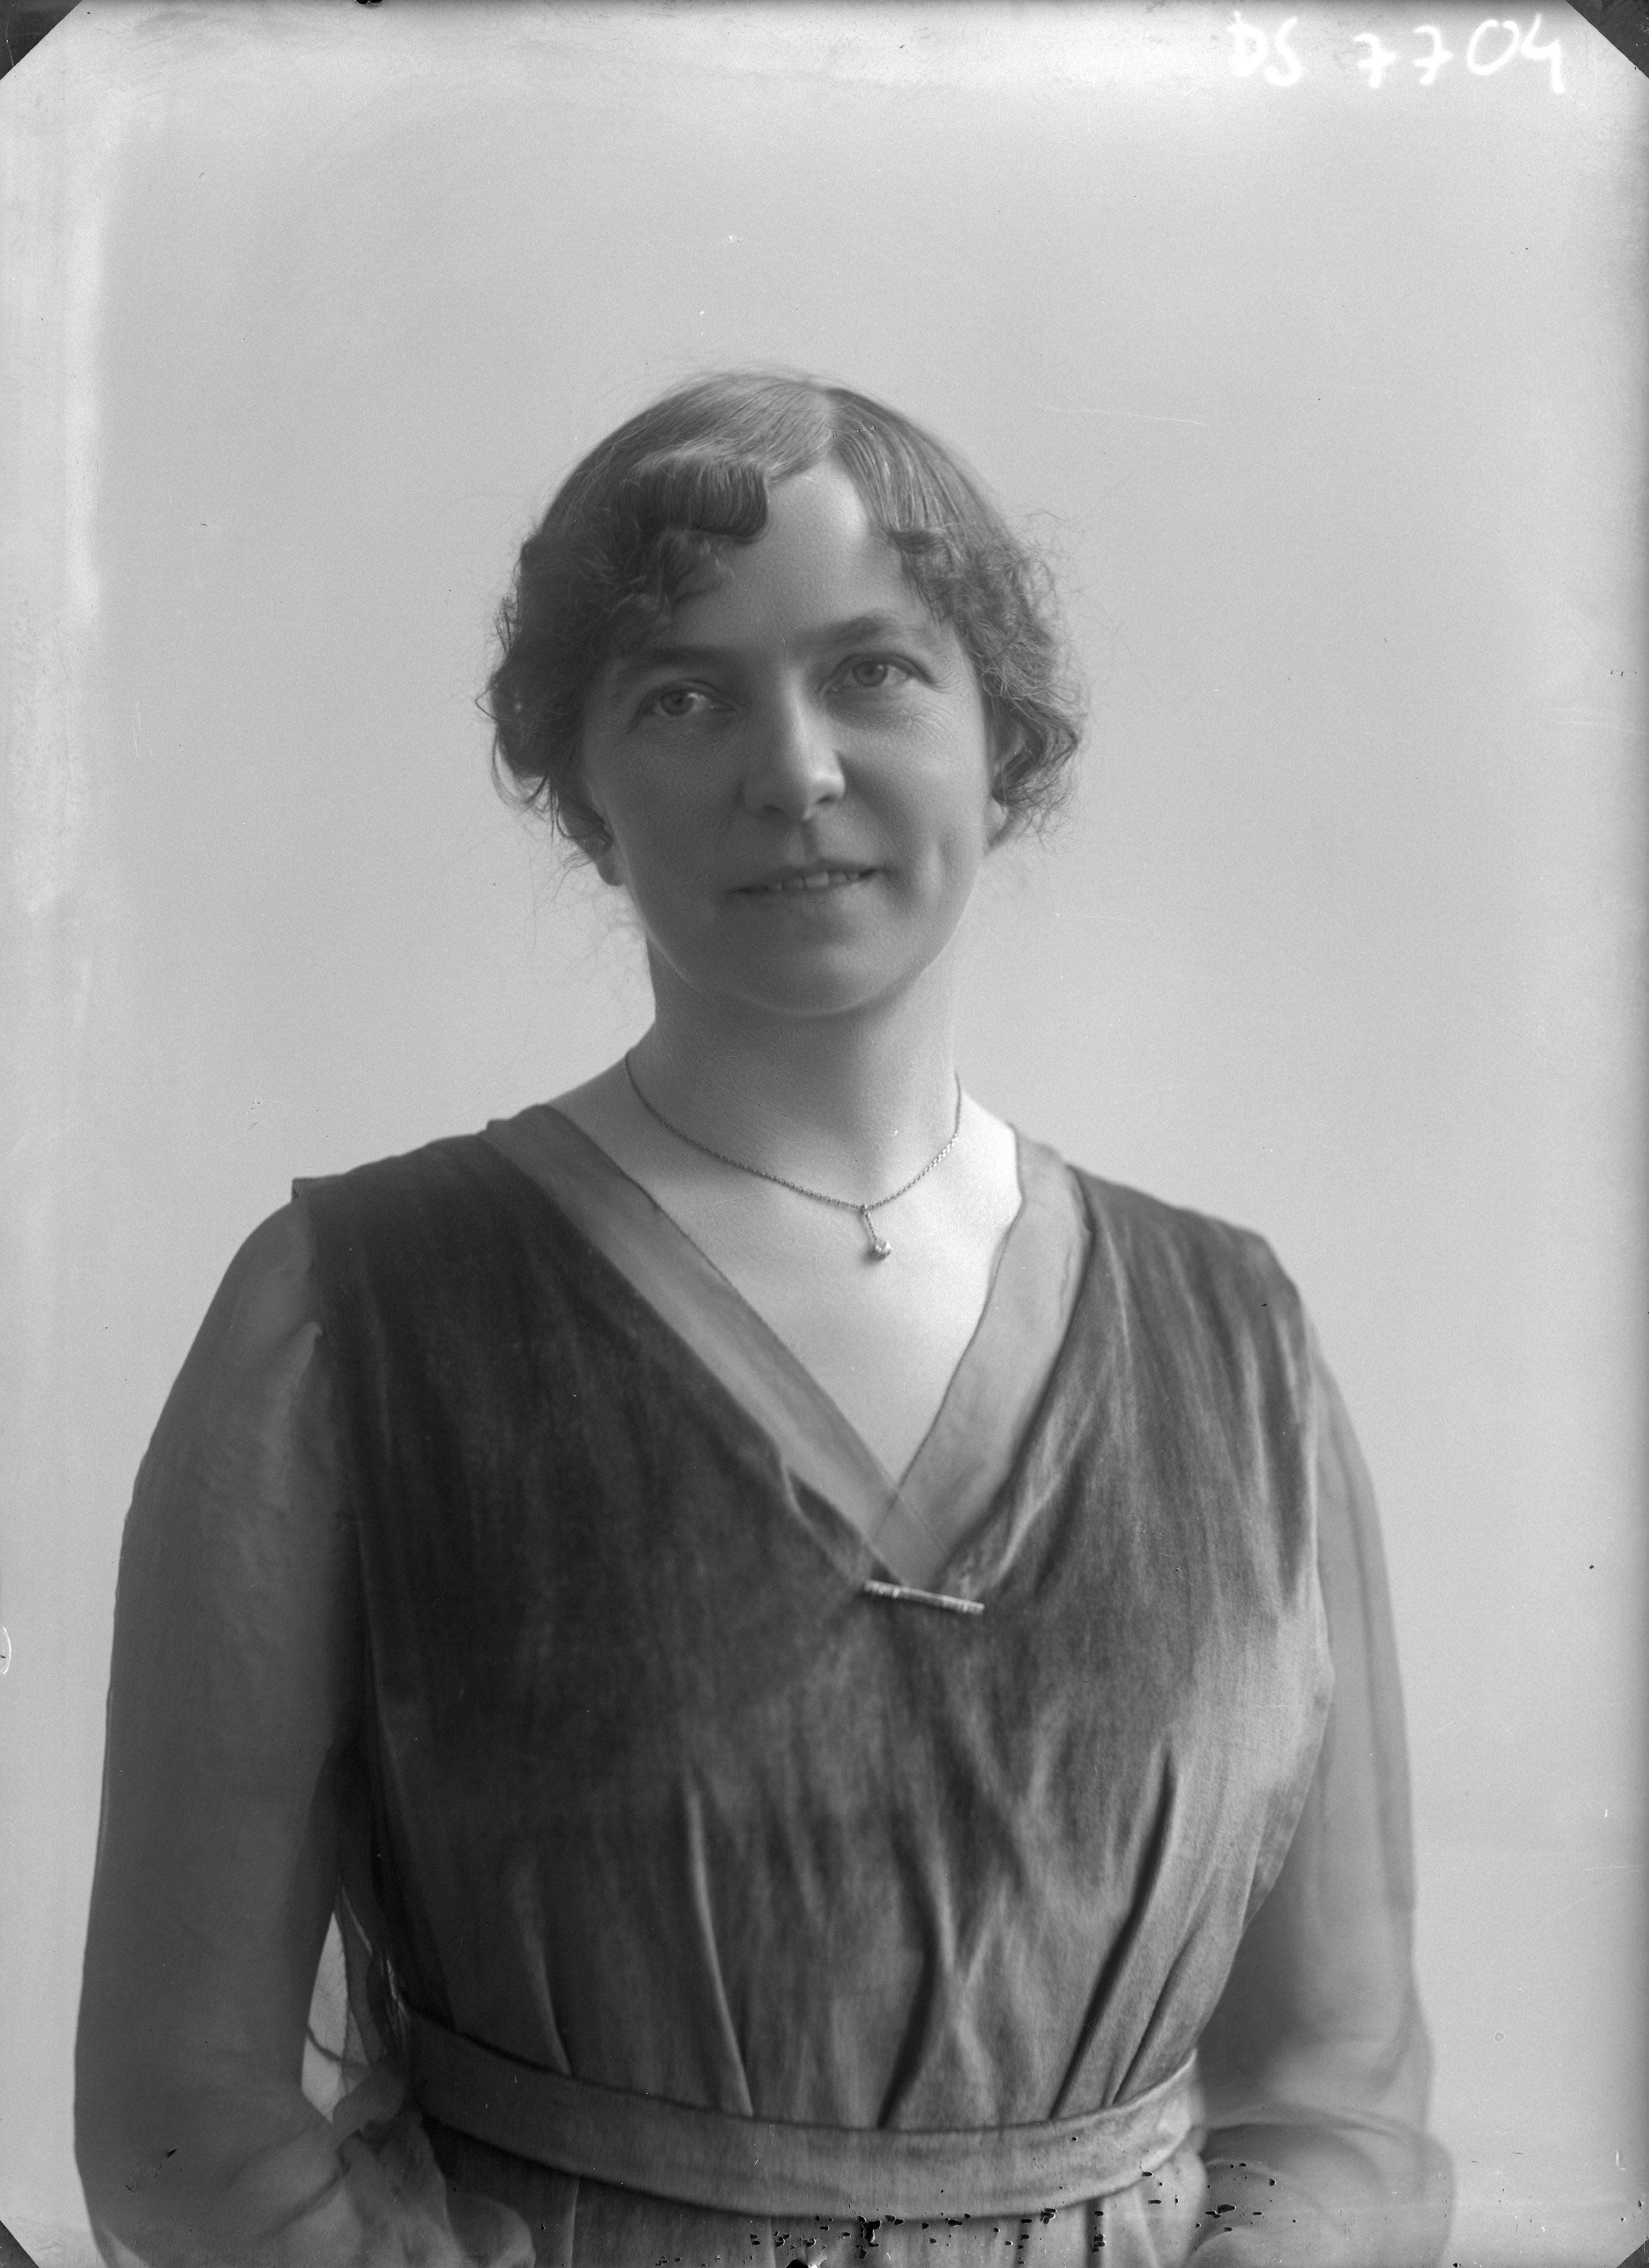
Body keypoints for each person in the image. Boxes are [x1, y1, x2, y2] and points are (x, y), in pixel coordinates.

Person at [74, 371, 1452, 2267]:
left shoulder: (1239, 1349)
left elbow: (1339, 2098)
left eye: (873, 671)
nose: (792, 770)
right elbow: (189, 2126)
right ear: (581, 788)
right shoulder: (347, 1317)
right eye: (683, 694)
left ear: (1001, 738)